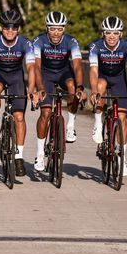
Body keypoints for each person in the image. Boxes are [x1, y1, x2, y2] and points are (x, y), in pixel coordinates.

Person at [88, 16, 127, 175]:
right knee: (100, 86)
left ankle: (122, 158)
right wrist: (93, 91)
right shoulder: (96, 46)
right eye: (108, 33)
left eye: (115, 33)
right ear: (103, 33)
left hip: (119, 80)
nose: (111, 36)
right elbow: (92, 70)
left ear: (121, 34)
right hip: (102, 77)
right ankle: (98, 123)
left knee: (121, 119)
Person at [32, 11, 85, 172]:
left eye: (60, 29)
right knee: (46, 113)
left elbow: (76, 66)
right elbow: (36, 67)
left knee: (71, 86)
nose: (56, 33)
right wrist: (40, 89)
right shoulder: (38, 41)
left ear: (64, 29)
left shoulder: (71, 42)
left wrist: (80, 87)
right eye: (52, 29)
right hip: (46, 75)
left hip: (64, 73)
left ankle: (70, 124)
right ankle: (40, 153)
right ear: (47, 28)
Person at [0, 9, 36, 176]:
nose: (10, 31)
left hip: (16, 78)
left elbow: (31, 67)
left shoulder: (25, 43)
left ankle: (19, 156)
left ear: (18, 29)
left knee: (19, 117)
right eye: (7, 27)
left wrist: (30, 90)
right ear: (1, 28)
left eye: (14, 28)